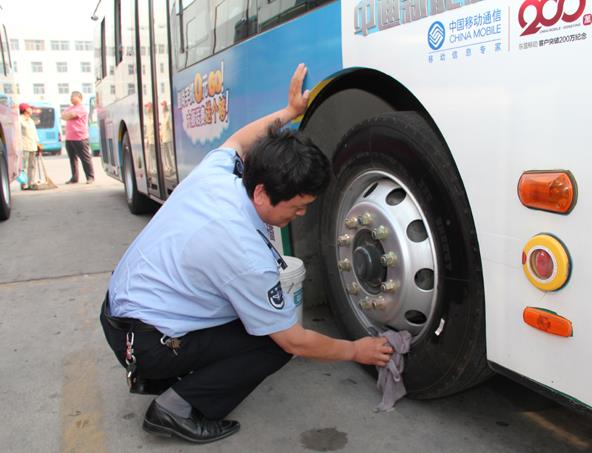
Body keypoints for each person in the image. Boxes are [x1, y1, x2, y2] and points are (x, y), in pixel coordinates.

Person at [100, 63, 394, 445]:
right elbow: (294, 341)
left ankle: (172, 372)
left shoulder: (220, 175)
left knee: (255, 319)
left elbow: (239, 139)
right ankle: (175, 408)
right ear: (261, 193)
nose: (300, 215)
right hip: (143, 342)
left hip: (121, 313)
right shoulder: (243, 252)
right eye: (297, 206)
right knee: (271, 345)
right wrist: (357, 350)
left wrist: (290, 113)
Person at [61, 91, 95, 184]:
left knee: (85, 158)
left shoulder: (82, 108)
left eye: (73, 96)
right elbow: (63, 116)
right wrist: (68, 115)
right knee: (72, 159)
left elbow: (71, 115)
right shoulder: (70, 108)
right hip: (69, 138)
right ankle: (74, 178)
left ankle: (90, 177)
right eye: (71, 96)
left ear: (79, 98)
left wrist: (69, 115)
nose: (71, 98)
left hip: (80, 137)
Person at [19, 103, 42, 189]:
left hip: (33, 146)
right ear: (25, 110)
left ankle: (31, 183)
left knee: (32, 166)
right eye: (30, 108)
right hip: (24, 146)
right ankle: (24, 184)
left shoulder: (31, 120)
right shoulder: (19, 120)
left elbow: (34, 133)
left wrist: (38, 144)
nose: (31, 110)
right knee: (24, 166)